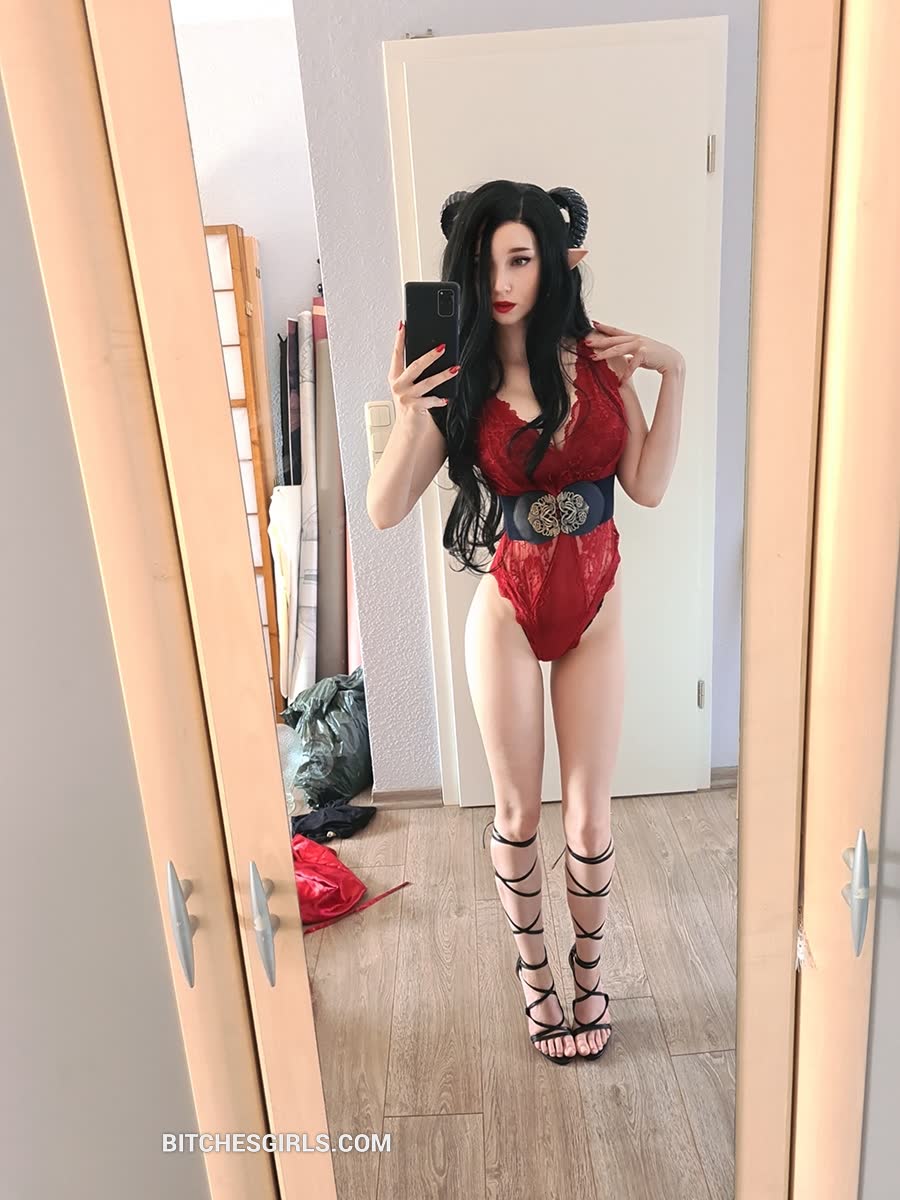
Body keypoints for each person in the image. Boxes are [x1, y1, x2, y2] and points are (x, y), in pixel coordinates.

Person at [367, 180, 685, 1064]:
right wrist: (410, 416)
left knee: (588, 821)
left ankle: (589, 976)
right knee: (516, 810)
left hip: (597, 609)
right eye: (486, 263)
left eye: (521, 259)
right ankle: (537, 981)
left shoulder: (600, 365)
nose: (503, 282)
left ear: (556, 263)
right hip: (508, 607)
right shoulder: (458, 385)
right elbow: (385, 509)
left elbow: (648, 487)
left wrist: (674, 370)